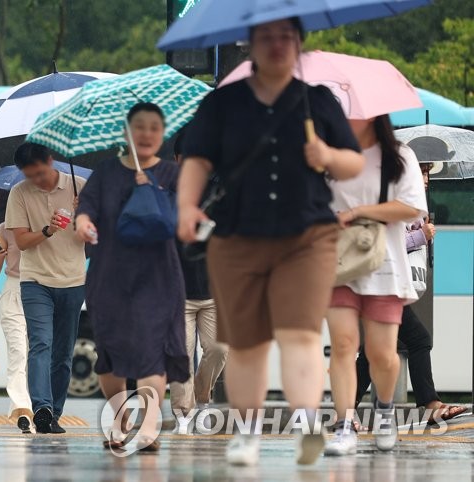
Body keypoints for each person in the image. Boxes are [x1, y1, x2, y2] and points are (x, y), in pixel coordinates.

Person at [177, 18, 365, 466]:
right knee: (247, 342)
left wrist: (328, 156)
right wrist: (186, 207)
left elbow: (353, 164)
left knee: (300, 335)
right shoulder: (223, 104)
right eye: (267, 36)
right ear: (250, 44)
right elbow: (197, 162)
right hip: (237, 236)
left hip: (307, 237)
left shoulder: (317, 101)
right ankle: (246, 433)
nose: (278, 44)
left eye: (287, 36)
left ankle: (306, 428)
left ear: (299, 42)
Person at [74, 104, 189, 451]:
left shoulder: (172, 175)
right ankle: (122, 419)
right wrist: (83, 223)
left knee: (152, 351)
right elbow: (87, 209)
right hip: (110, 276)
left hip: (158, 277)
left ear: (162, 133)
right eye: (139, 127)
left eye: (155, 127)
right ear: (126, 133)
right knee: (110, 354)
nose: (147, 134)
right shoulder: (106, 172)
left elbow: (182, 221)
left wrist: (152, 187)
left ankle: (149, 426)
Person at [322, 117, 427, 456]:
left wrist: (357, 212)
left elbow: (412, 207)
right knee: (342, 344)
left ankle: (384, 410)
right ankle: (344, 425)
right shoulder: (328, 155)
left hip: (385, 264)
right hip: (339, 262)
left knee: (382, 353)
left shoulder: (399, 156)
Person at [354, 162, 468, 424]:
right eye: (422, 172)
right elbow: (381, 243)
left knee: (374, 349)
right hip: (381, 283)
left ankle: (345, 410)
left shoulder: (412, 206)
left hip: (386, 284)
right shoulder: (393, 202)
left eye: (428, 173)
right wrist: (421, 236)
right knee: (418, 339)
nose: (426, 179)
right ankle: (431, 405)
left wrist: (421, 230)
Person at [6, 142, 87, 435]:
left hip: (73, 280)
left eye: (40, 173)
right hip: (35, 281)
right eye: (30, 175)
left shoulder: (80, 186)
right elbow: (22, 242)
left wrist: (83, 216)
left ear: (51, 161)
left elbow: (94, 234)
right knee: (41, 343)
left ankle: (55, 413)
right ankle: (42, 407)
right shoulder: (19, 193)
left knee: (63, 353)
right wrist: (48, 230)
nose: (37, 180)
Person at [168, 131, 229, 435]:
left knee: (218, 348)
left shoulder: (217, 191)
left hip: (213, 289)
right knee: (180, 353)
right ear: (177, 160)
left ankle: (203, 401)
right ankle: (182, 415)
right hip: (177, 291)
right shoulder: (165, 193)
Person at [0, 221, 34, 433]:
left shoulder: (44, 223)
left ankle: (36, 407)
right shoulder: (4, 228)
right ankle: (23, 411)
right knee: (18, 353)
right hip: (13, 291)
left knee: (36, 354)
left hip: (39, 292)